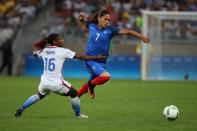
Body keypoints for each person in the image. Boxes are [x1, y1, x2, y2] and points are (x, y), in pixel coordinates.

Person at [15, 33, 106, 118]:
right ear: (55, 42)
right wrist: (96, 57)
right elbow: (81, 57)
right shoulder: (63, 51)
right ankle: (78, 115)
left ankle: (22, 107)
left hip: (44, 82)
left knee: (39, 95)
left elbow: (35, 53)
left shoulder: (44, 51)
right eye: (60, 39)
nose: (63, 40)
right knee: (74, 93)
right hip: (56, 83)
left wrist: (43, 44)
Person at [77, 10, 150, 99]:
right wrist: (80, 19)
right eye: (105, 19)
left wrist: (142, 37)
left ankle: (76, 96)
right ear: (99, 18)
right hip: (91, 60)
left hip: (102, 61)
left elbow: (128, 32)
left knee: (93, 80)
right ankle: (90, 85)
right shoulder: (91, 25)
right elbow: (82, 22)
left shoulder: (110, 30)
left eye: (109, 20)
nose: (107, 22)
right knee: (106, 77)